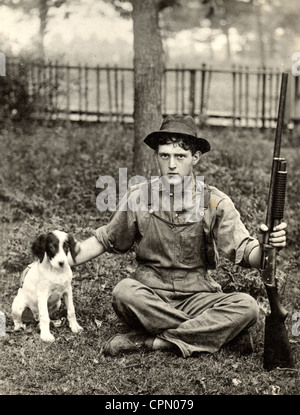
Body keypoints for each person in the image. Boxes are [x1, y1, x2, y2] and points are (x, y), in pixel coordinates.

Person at [70, 115, 287, 358]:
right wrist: (55, 261)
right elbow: (105, 240)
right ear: (157, 157)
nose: (172, 164)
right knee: (123, 293)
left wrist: (267, 247)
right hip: (151, 296)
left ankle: (151, 342)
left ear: (195, 158)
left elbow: (247, 253)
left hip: (199, 297)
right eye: (165, 156)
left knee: (247, 307)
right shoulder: (139, 196)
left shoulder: (214, 201)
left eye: (180, 157)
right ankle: (214, 334)